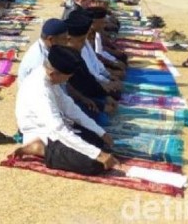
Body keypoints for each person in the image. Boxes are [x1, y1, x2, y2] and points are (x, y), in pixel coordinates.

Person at [12, 45, 117, 176]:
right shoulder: (39, 90)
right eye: (67, 77)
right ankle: (39, 148)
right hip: (42, 134)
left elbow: (70, 108)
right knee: (94, 164)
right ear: (53, 73)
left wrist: (100, 132)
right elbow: (58, 129)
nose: (67, 81)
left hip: (57, 127)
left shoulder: (49, 78)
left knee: (100, 143)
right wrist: (98, 155)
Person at [17, 18, 69, 85]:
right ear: (51, 39)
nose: (67, 42)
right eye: (63, 38)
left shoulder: (46, 47)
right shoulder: (39, 61)